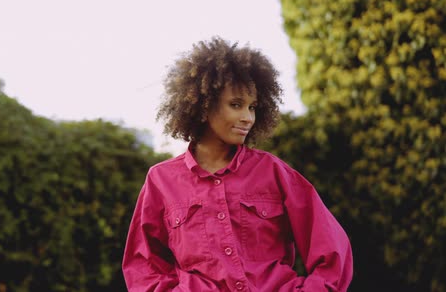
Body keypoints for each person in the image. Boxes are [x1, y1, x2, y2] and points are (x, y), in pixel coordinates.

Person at [122, 37, 353, 291]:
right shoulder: (161, 180)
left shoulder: (273, 172)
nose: (247, 118)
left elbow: (332, 250)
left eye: (252, 107)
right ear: (203, 106)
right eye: (236, 105)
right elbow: (142, 265)